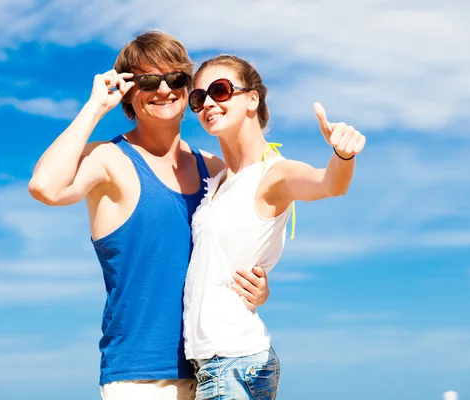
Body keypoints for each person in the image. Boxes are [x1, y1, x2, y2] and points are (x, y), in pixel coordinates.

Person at [28, 31, 271, 400]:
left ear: (188, 88)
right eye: (147, 81)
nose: (163, 90)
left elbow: (236, 254)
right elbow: (45, 187)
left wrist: (259, 288)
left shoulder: (215, 168)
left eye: (174, 79)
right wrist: (95, 107)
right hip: (140, 377)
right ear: (128, 90)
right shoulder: (109, 160)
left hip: (216, 367)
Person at [182, 54, 366, 399]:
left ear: (252, 98)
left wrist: (343, 154)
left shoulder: (274, 174)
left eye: (220, 91)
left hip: (234, 364)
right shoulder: (219, 179)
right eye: (198, 97)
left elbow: (329, 184)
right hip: (213, 364)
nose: (208, 102)